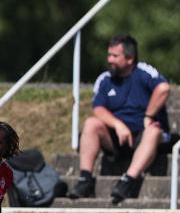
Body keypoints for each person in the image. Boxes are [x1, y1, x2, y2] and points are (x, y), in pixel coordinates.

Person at [69, 34, 171, 204]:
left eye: (115, 56)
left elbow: (163, 88)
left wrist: (149, 115)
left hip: (144, 136)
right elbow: (98, 109)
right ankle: (85, 179)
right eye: (109, 55)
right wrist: (118, 125)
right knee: (91, 124)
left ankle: (128, 181)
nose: (109, 59)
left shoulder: (144, 72)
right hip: (117, 139)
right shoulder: (105, 79)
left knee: (153, 131)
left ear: (130, 58)